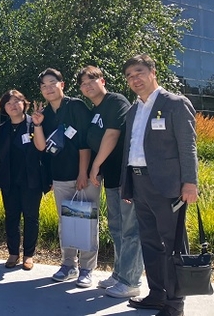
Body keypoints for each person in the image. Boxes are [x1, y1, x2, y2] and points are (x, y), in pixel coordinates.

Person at [120, 54, 198, 316]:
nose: (135, 79)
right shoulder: (133, 110)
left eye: (139, 72)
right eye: (130, 76)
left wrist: (190, 183)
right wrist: (128, 184)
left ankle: (175, 304)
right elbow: (130, 149)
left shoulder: (175, 103)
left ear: (153, 72)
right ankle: (157, 294)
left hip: (167, 187)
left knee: (173, 244)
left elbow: (188, 147)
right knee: (150, 243)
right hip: (139, 183)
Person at [78, 66, 144, 298]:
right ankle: (119, 274)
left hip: (127, 176)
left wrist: (95, 165)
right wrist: (97, 168)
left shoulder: (116, 101)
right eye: (83, 83)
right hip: (112, 178)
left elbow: (112, 134)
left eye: (91, 81)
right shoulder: (95, 110)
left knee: (130, 229)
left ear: (102, 81)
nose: (87, 86)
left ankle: (131, 280)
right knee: (116, 227)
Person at [32, 68, 98, 287]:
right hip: (60, 176)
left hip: (83, 175)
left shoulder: (75, 106)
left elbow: (85, 142)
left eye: (52, 83)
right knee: (66, 222)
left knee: (87, 221)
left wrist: (83, 173)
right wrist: (37, 124)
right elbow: (41, 147)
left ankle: (87, 269)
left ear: (62, 84)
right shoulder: (45, 114)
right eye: (44, 85)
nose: (48, 88)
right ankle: (68, 265)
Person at [0, 90, 49, 271]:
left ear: (24, 104)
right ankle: (13, 253)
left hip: (31, 180)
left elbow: (44, 153)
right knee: (11, 217)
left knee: (31, 217)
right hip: (9, 180)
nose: (13, 106)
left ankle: (29, 255)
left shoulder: (34, 124)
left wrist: (49, 180)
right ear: (3, 108)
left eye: (17, 101)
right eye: (8, 103)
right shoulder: (2, 129)